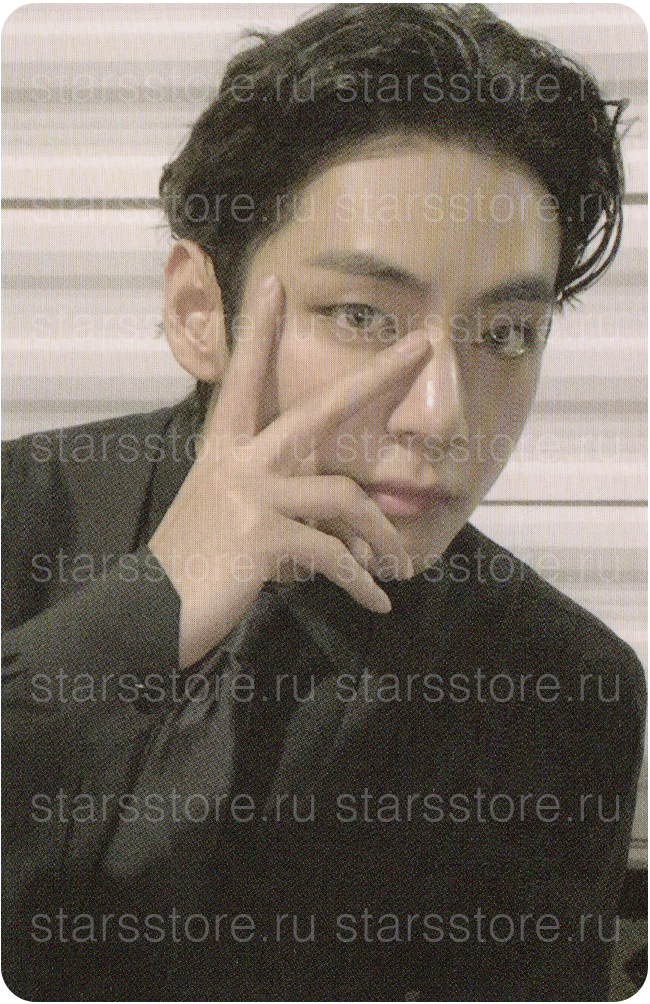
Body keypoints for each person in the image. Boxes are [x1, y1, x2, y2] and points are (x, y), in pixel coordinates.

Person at [2, 3, 645, 1000]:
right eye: (361, 315)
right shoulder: (19, 517)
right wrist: (144, 614)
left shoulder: (561, 687)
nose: (441, 416)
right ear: (198, 310)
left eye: (505, 333)